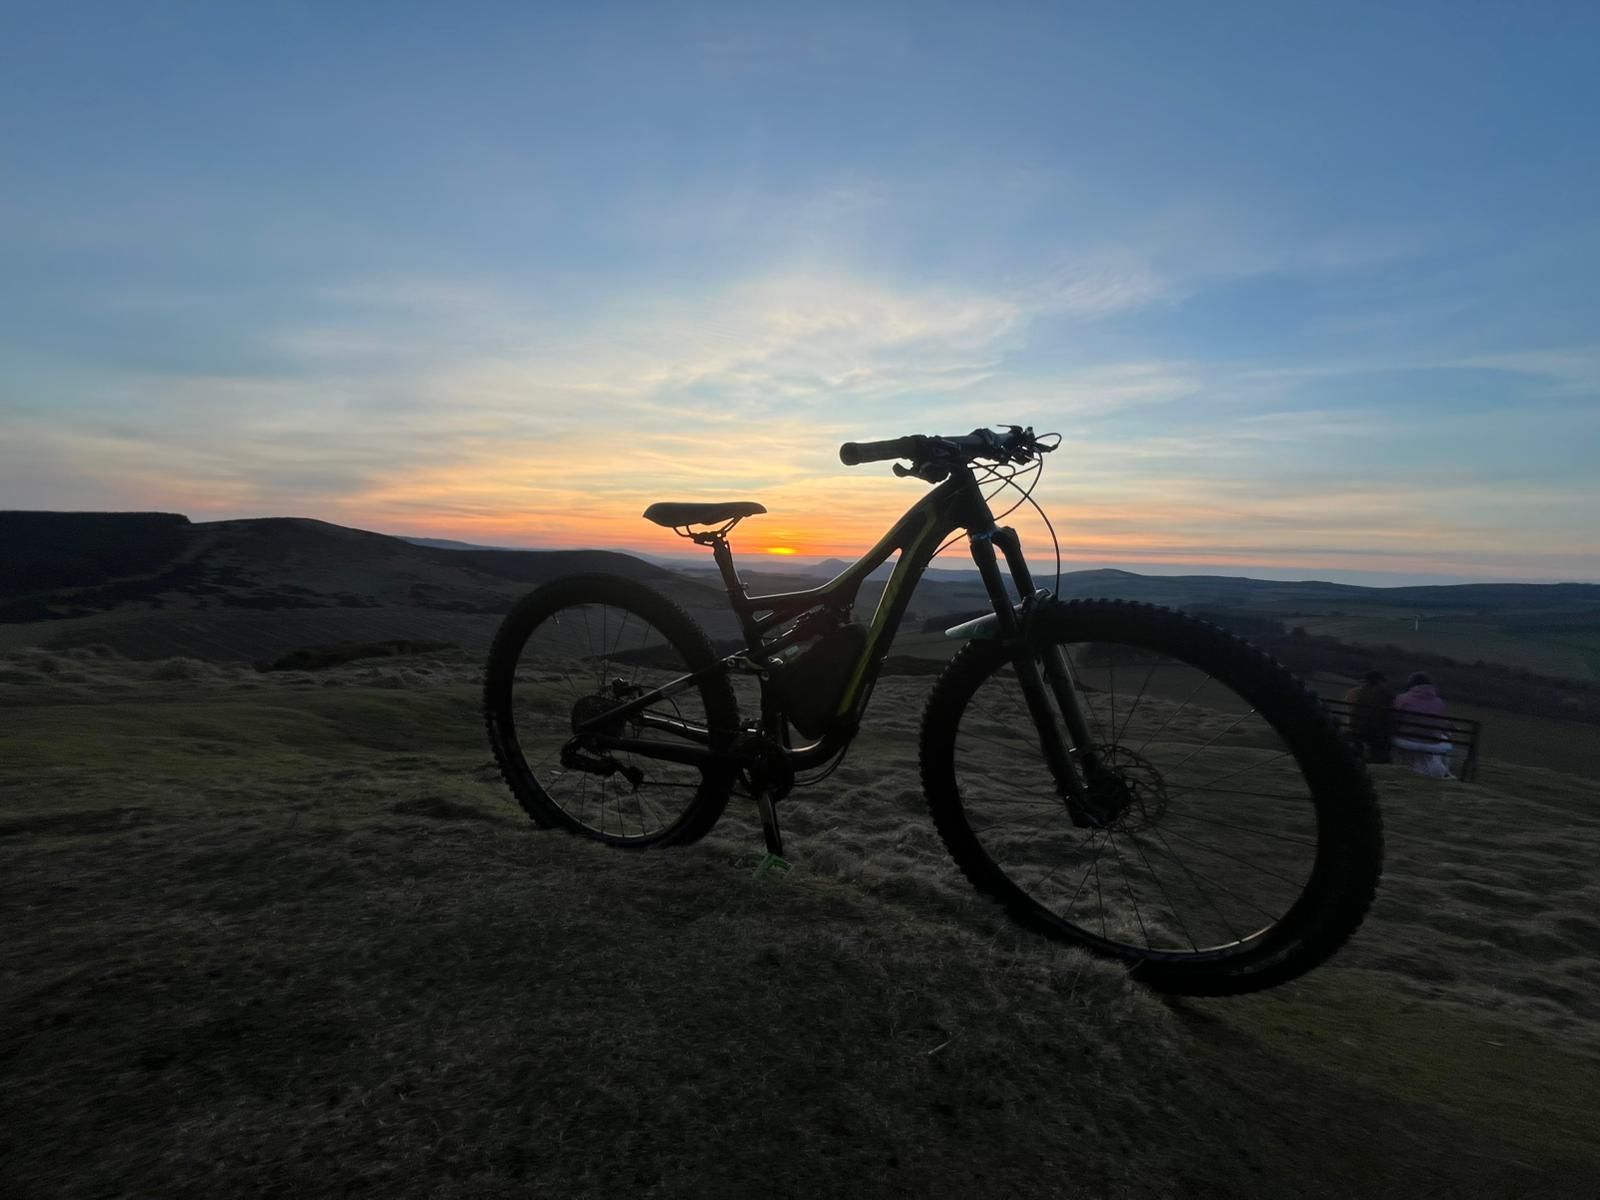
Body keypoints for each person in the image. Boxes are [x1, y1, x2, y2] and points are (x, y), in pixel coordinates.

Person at [1391, 672, 1454, 779]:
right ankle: (1445, 770)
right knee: (1445, 740)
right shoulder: (1439, 702)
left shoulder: (1402, 698)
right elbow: (1440, 723)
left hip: (1406, 738)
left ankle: (1403, 767)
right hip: (1431, 740)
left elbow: (1395, 718)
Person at [1342, 670, 1394, 763]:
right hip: (1375, 733)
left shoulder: (1353, 692)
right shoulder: (1386, 694)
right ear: (1379, 681)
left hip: (1355, 729)